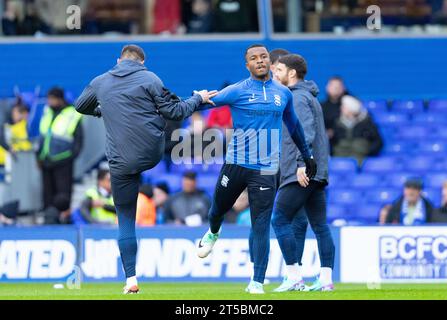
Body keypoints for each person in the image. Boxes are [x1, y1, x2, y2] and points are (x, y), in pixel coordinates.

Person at [75, 44, 216, 294]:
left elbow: (80, 106)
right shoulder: (150, 77)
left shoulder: (100, 81)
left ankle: (130, 279)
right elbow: (175, 111)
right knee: (162, 117)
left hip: (120, 162)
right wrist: (198, 99)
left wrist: (101, 110)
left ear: (118, 60)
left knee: (126, 221)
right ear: (142, 62)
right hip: (151, 153)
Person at [196, 44, 317, 294]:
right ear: (247, 65)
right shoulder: (237, 90)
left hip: (265, 168)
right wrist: (194, 99)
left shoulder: (283, 94)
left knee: (260, 224)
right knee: (217, 210)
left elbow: (294, 126)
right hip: (236, 164)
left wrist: (307, 156)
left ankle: (257, 282)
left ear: (270, 64)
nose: (260, 61)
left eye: (263, 57)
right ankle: (213, 232)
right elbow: (206, 102)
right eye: (254, 58)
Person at [272, 54, 335, 292]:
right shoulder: (308, 96)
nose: (273, 75)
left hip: (302, 171)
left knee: (279, 220)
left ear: (291, 73)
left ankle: (294, 276)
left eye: (278, 70)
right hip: (316, 171)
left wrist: (301, 163)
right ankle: (326, 279)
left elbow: (304, 131)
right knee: (320, 225)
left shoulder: (297, 97)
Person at [37, 87, 83, 215]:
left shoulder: (72, 113)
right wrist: (39, 156)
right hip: (46, 159)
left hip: (63, 160)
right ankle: (48, 216)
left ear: (60, 99)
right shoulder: (47, 112)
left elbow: (79, 139)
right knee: (47, 192)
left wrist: (72, 156)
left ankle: (63, 217)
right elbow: (43, 136)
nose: (49, 102)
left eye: (52, 99)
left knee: (63, 192)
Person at [330, 95, 383, 165]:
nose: (341, 108)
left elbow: (378, 142)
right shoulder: (336, 123)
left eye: (344, 107)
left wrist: (367, 153)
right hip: (340, 161)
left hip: (361, 160)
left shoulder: (367, 123)